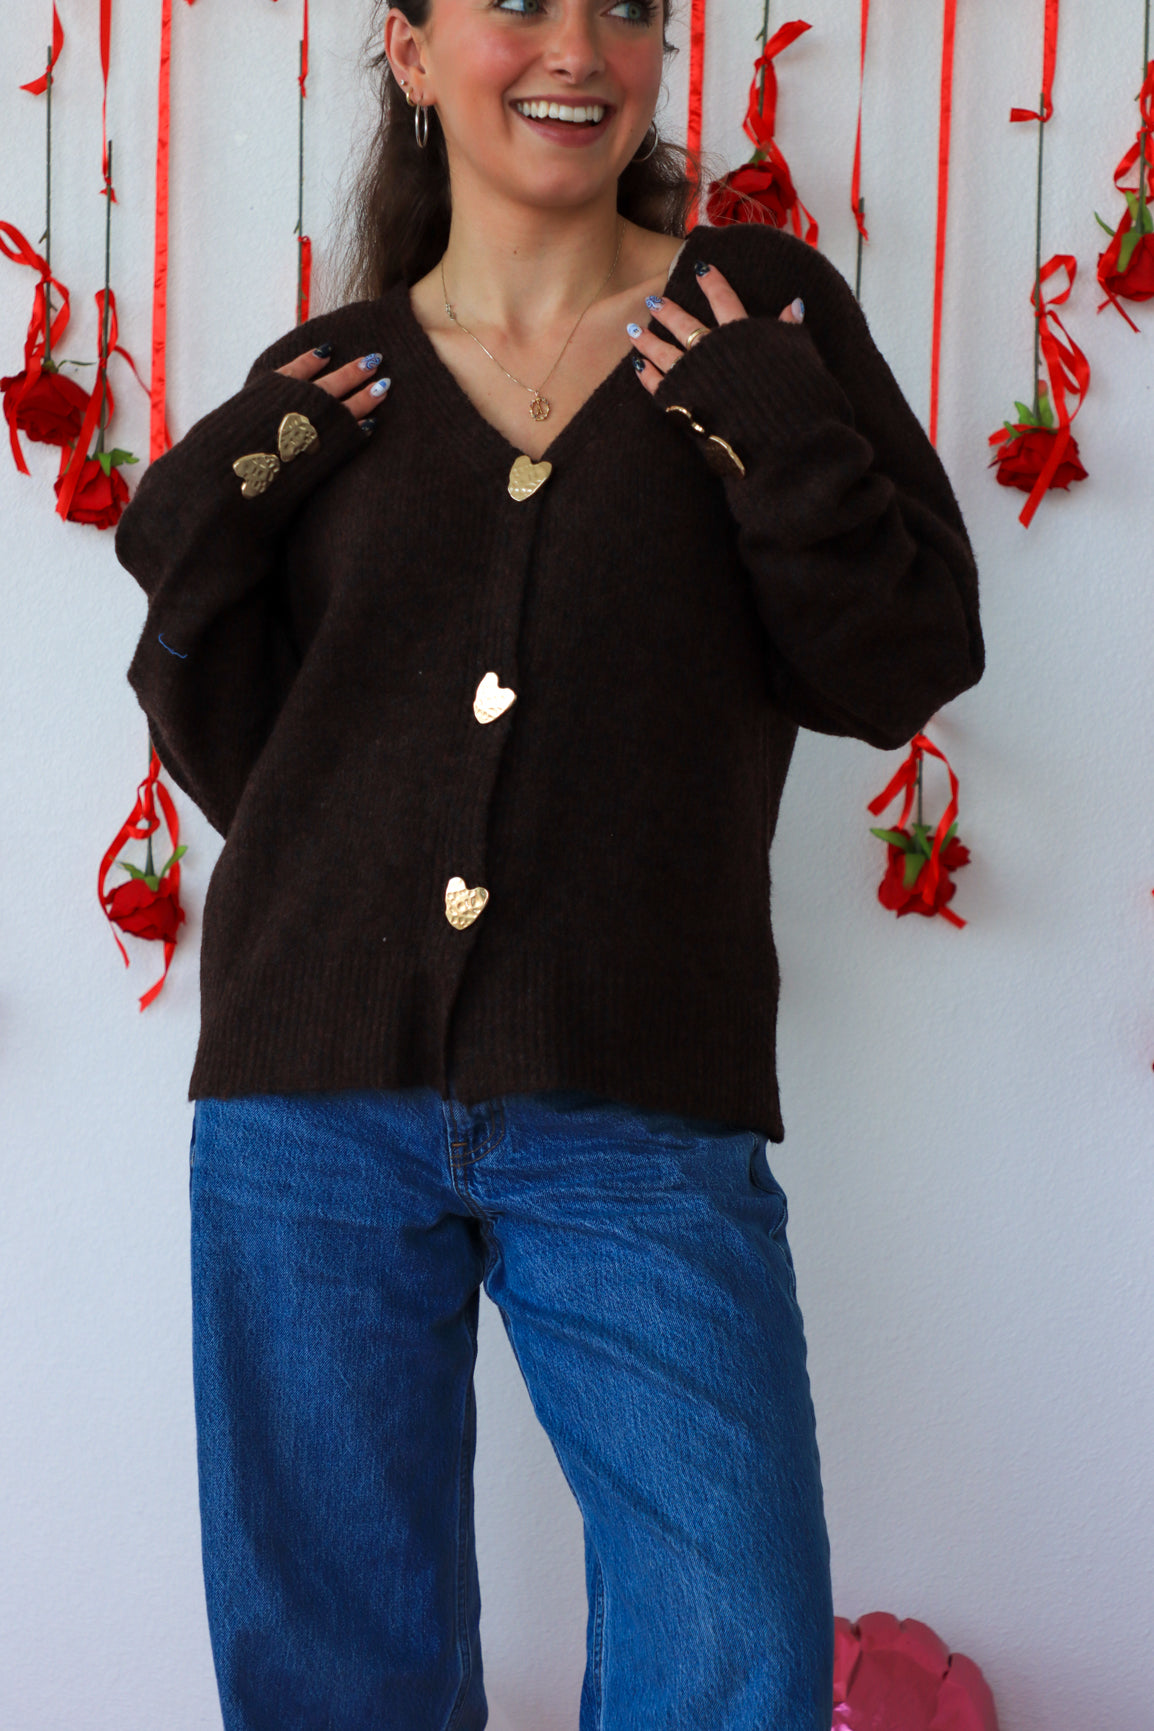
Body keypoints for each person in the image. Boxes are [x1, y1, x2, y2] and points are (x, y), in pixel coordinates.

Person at [114, 1, 984, 1726]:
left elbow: (896, 662)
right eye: (513, 0)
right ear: (413, 51)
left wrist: (759, 423)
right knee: (331, 1660)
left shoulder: (759, 317)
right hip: (308, 1098)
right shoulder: (333, 377)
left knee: (728, 1638)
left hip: (635, 1088)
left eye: (626, 6)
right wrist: (208, 504)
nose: (574, 42)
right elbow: (248, 759)